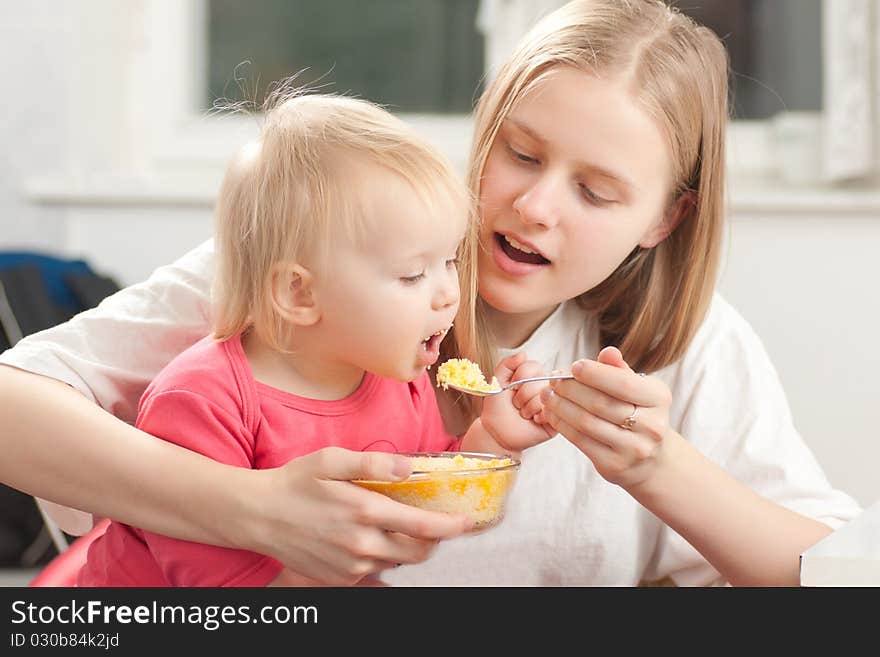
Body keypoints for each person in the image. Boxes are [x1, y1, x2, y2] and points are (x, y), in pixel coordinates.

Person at [0, 0, 861, 587]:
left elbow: (836, 574)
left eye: (596, 192)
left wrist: (655, 462)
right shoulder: (310, 272)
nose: (535, 205)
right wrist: (255, 510)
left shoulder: (695, 347)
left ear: (664, 220)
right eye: (521, 153)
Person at [74, 92, 549, 586]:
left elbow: (431, 496)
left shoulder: (390, 378)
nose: (448, 293)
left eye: (450, 261)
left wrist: (494, 440)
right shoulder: (201, 402)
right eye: (412, 275)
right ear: (299, 292)